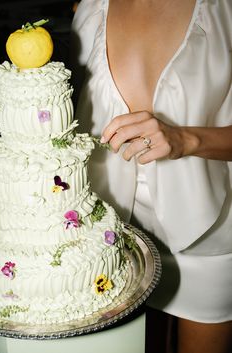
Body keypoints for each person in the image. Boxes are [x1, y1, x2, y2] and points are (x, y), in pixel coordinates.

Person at [69, 0, 232, 352]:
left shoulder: (224, 12)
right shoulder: (90, 8)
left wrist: (184, 139)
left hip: (209, 238)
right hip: (108, 241)